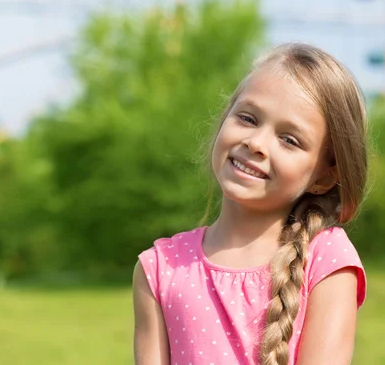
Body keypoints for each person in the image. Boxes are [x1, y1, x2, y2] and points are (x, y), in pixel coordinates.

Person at [132, 42, 368, 365]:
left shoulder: (327, 260)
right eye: (247, 118)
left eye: (289, 140)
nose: (255, 143)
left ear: (323, 177)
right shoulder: (159, 269)